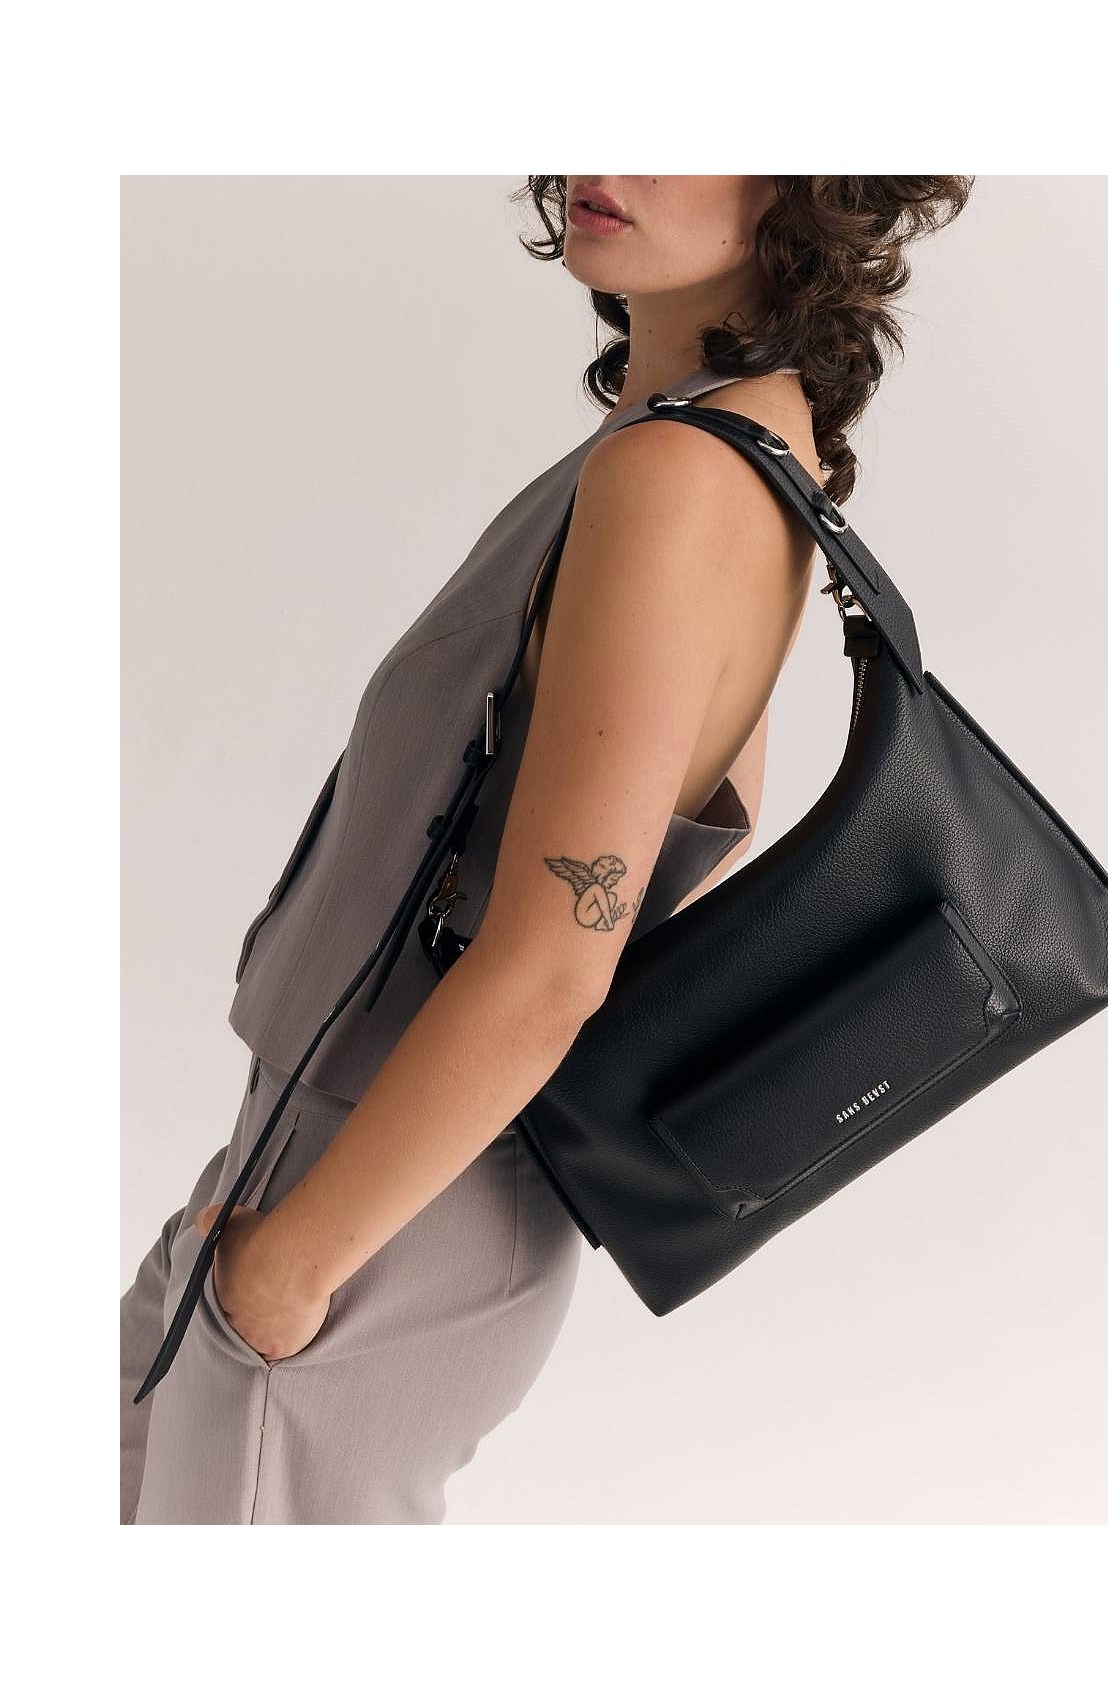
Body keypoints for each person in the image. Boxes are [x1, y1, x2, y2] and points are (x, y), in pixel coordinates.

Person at [121, 174, 973, 1523]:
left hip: (375, 1202)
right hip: (365, 1163)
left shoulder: (674, 477)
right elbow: (688, 842)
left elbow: (559, 961)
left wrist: (292, 1267)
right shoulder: (728, 444)